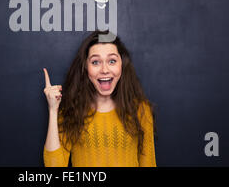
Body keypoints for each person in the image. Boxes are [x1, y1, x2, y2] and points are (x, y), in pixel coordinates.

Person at [43, 30, 156, 167]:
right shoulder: (71, 111)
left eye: (112, 61)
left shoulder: (141, 110)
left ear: (122, 64)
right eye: (96, 62)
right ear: (85, 67)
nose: (104, 69)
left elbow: (148, 163)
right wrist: (53, 110)